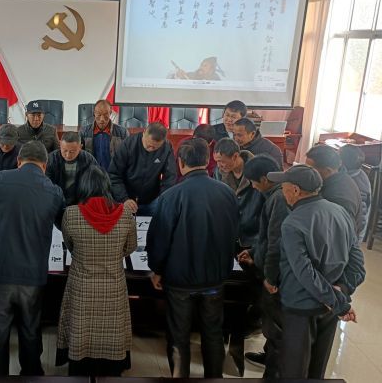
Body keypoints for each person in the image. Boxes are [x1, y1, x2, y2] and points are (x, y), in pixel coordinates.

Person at [0, 141, 65, 376]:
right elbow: (64, 225)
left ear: (18, 161)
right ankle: (31, 373)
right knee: (30, 327)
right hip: (32, 273)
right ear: (44, 165)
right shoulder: (54, 191)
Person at [147, 139, 239, 378]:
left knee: (179, 336)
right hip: (215, 277)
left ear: (180, 162)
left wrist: (156, 269)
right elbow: (234, 232)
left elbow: (160, 239)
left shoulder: (172, 195)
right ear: (207, 160)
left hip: (180, 280)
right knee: (213, 333)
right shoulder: (227, 193)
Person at [266, 165, 365, 379]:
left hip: (301, 306)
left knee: (294, 370)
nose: (282, 190)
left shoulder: (292, 223)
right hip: (329, 308)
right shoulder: (340, 212)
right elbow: (357, 263)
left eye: (284, 186)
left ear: (295, 190)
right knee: (317, 370)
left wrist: (336, 301)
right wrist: (340, 292)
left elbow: (304, 272)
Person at [56, 166, 136, 376]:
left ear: (82, 187)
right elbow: (130, 247)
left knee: (81, 329)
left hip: (82, 285)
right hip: (113, 285)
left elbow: (70, 245)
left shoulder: (71, 214)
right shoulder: (126, 214)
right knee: (112, 330)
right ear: (107, 186)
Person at [237, 155, 290, 377]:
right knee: (272, 325)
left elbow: (276, 242)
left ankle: (273, 374)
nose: (253, 187)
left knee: (276, 326)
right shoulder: (275, 194)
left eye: (253, 182)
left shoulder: (279, 199)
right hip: (271, 266)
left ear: (264, 179)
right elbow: (266, 237)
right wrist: (253, 252)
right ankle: (270, 358)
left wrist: (269, 276)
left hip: (277, 275)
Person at [108, 122, 177, 216]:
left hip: (153, 200)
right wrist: (124, 198)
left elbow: (170, 177)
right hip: (126, 200)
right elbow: (114, 174)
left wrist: (163, 198)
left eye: (155, 148)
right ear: (144, 133)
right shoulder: (128, 144)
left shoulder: (166, 147)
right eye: (148, 145)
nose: (151, 149)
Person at [213, 138, 263, 248]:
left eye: (221, 161)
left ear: (235, 156)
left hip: (254, 236)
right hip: (229, 233)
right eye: (217, 161)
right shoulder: (219, 172)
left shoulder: (258, 171)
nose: (219, 165)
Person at [306, 145, 364, 237]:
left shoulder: (339, 197)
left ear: (328, 170)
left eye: (311, 169)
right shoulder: (335, 176)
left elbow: (340, 234)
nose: (307, 172)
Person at [46, 132, 98, 206]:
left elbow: (95, 184)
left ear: (80, 147)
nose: (68, 155)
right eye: (65, 150)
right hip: (55, 200)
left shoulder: (89, 160)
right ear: (60, 145)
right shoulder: (51, 160)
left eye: (72, 152)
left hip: (81, 202)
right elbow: (46, 185)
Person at [79, 99, 128, 170]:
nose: (102, 119)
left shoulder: (122, 133)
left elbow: (128, 157)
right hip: (91, 173)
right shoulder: (84, 132)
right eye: (99, 115)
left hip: (113, 173)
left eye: (105, 115)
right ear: (94, 113)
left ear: (110, 113)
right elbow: (79, 156)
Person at [340, 144, 372, 242]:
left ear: (341, 163)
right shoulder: (359, 173)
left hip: (352, 234)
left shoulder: (354, 183)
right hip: (354, 230)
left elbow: (361, 216)